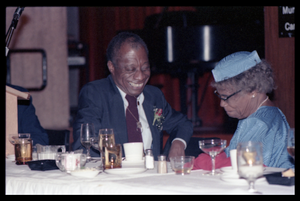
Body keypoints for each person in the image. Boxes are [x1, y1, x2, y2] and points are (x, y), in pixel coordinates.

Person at [72, 32, 193, 160]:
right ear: (112, 67)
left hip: (151, 176)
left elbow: (182, 124)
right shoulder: (96, 94)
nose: (140, 76)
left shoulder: (153, 96)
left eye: (145, 68)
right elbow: (85, 145)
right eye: (131, 69)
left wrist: (178, 143)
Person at [194, 50, 294, 169]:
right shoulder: (270, 113)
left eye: (226, 97)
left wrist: (203, 161)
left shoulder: (257, 123)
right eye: (220, 96)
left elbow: (241, 167)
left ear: (253, 90)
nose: (222, 104)